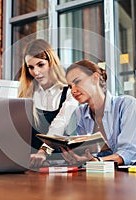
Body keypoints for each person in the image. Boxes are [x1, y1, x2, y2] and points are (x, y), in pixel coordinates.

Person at [62, 59, 136, 166]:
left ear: (95, 78)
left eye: (77, 82)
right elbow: (87, 152)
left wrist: (97, 162)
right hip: (106, 169)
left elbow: (128, 152)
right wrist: (77, 156)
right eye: (70, 86)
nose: (73, 90)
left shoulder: (127, 104)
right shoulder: (80, 113)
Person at [18, 39, 78, 168]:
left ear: (52, 63)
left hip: (59, 163)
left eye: (41, 65)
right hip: (30, 163)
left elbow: (59, 124)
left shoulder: (69, 92)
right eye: (31, 67)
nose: (36, 72)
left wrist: (43, 152)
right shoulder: (27, 93)